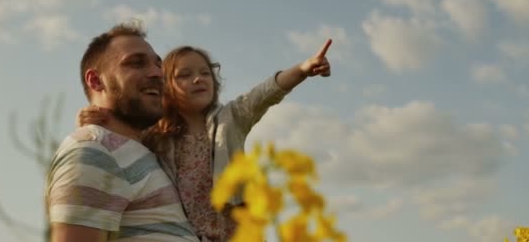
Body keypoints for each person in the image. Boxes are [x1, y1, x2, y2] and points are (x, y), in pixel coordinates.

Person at [78, 39, 333, 241]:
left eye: (205, 73)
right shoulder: (156, 135)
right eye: (185, 75)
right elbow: (123, 132)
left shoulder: (231, 118)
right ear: (165, 87)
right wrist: (96, 115)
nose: (198, 79)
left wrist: (302, 69)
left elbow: (266, 92)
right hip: (188, 234)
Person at [45, 22, 200, 242]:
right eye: (136, 63)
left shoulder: (147, 153)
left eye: (159, 66)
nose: (157, 73)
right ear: (96, 81)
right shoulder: (94, 150)